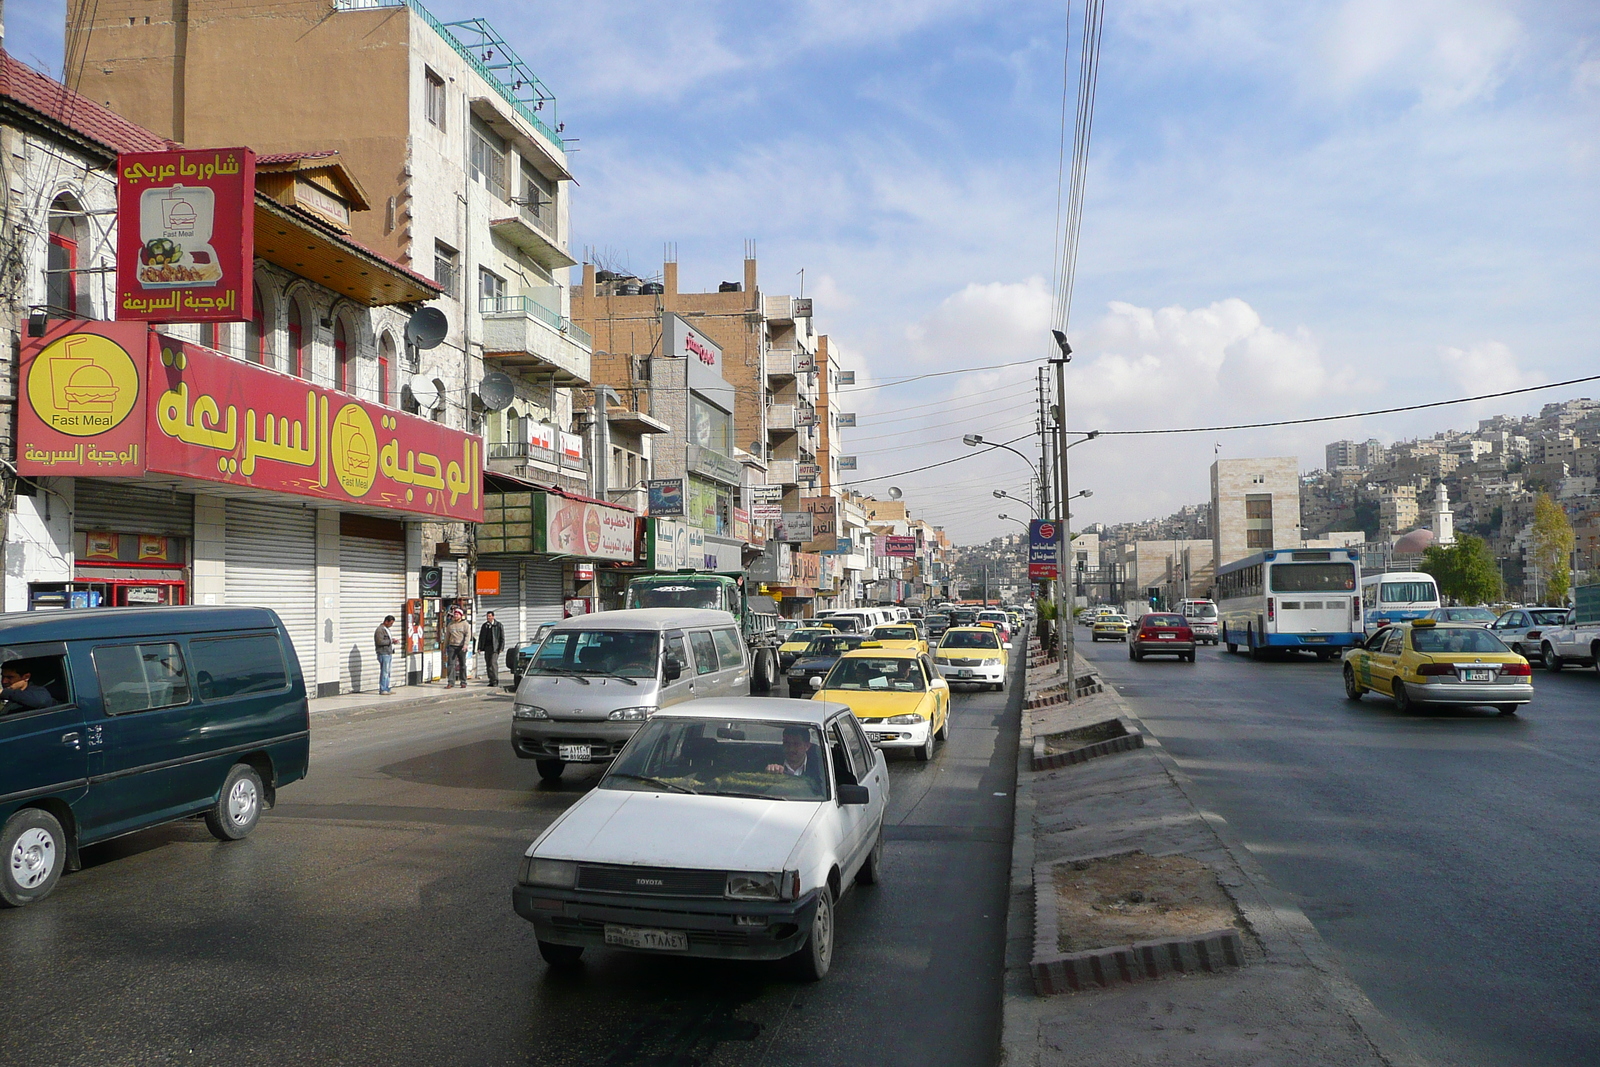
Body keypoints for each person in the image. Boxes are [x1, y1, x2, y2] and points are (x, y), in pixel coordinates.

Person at [443, 607, 470, 688]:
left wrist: (465, 645)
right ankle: (451, 682)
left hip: (461, 647)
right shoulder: (450, 624)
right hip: (452, 646)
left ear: (461, 615)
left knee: (462, 665)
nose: (455, 615)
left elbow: (468, 635)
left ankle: (463, 681)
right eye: (455, 614)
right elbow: (447, 636)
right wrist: (445, 647)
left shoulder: (465, 624)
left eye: (457, 614)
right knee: (451, 664)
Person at [478, 611, 505, 688]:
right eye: (487, 616)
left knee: (493, 663)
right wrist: (480, 647)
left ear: (493, 617)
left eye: (490, 616)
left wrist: (501, 647)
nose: (488, 618)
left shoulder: (498, 625)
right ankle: (491, 680)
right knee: (488, 664)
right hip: (487, 647)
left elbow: (502, 637)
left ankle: (495, 680)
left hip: (495, 647)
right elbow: (481, 637)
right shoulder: (484, 626)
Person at [374, 615, 396, 695]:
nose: (391, 625)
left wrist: (392, 641)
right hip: (383, 653)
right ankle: (383, 689)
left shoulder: (387, 630)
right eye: (390, 623)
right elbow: (379, 642)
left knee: (388, 672)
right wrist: (390, 642)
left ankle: (387, 688)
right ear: (386, 621)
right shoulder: (380, 630)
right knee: (384, 672)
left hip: (388, 653)